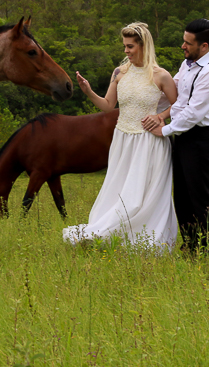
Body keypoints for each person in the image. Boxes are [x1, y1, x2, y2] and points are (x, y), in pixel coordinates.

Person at [63, 22, 178, 250]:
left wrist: (160, 116)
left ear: (144, 46)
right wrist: (88, 91)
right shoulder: (120, 72)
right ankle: (109, 233)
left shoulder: (161, 76)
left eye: (130, 46)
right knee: (118, 189)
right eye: (124, 46)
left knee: (141, 194)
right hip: (123, 140)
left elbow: (179, 106)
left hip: (150, 141)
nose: (126, 51)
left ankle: (146, 237)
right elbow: (107, 105)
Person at [143, 19, 209, 254]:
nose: (183, 46)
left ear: (204, 46)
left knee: (199, 194)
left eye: (188, 43)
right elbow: (176, 97)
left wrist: (165, 129)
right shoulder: (188, 65)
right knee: (181, 194)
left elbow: (193, 112)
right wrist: (155, 112)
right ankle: (191, 244)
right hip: (182, 136)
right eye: (184, 40)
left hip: (199, 137)